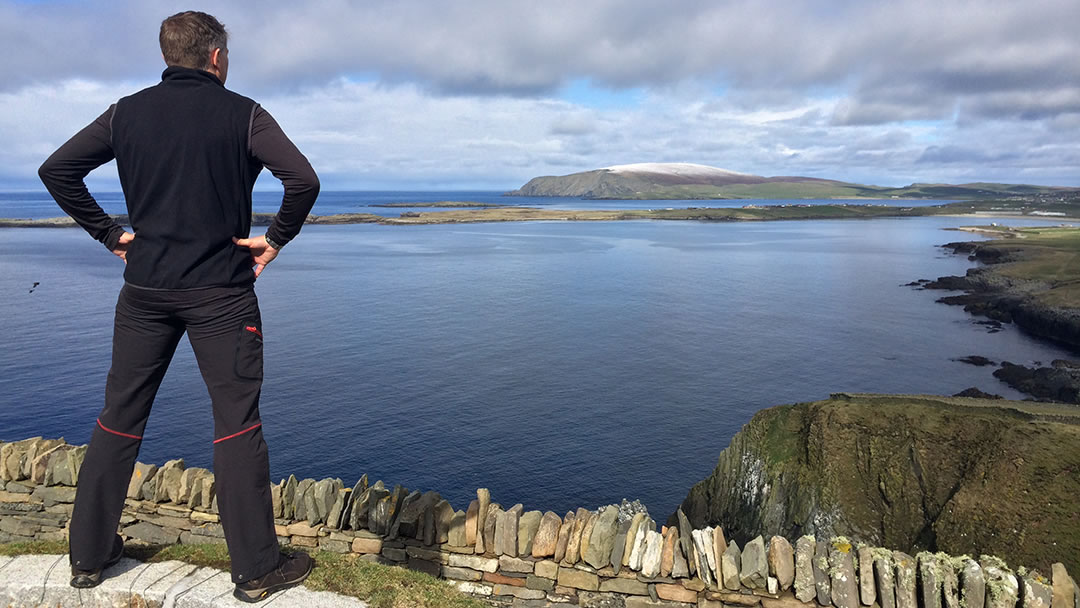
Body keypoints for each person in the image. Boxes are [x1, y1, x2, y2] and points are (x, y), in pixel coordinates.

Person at [38, 11, 319, 603]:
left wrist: (110, 235)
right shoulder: (245, 113)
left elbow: (56, 170)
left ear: (168, 54)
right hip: (221, 296)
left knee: (118, 416)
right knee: (237, 424)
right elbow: (303, 180)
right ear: (216, 56)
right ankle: (256, 570)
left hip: (144, 293)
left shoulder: (125, 112)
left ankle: (88, 555)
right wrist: (275, 239)